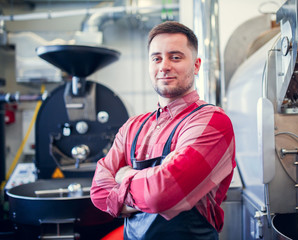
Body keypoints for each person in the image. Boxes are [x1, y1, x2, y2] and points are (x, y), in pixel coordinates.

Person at [90, 21, 236, 240]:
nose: (164, 66)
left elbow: (161, 193)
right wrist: (149, 187)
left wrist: (125, 175)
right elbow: (98, 191)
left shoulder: (212, 121)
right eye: (156, 58)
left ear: (196, 65)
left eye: (175, 57)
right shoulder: (133, 127)